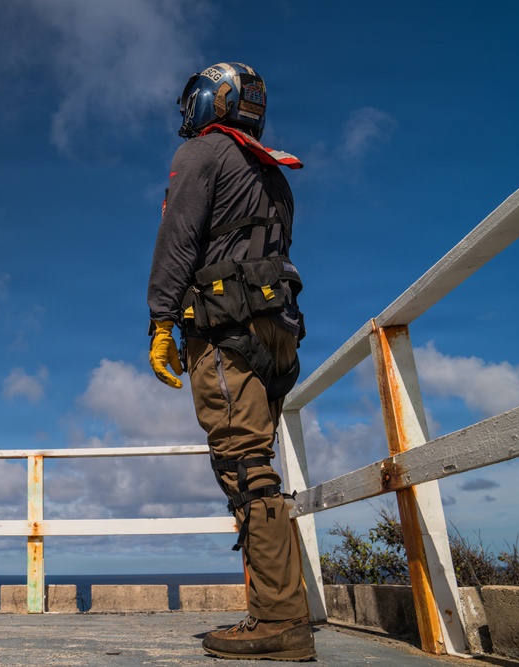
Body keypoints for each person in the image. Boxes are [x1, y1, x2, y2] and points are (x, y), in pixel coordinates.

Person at [147, 62, 314, 661]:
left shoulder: (202, 153)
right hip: (278, 333)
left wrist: (161, 321)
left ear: (212, 103)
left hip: (227, 329)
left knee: (244, 466)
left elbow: (178, 241)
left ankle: (279, 620)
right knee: (258, 461)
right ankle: (281, 606)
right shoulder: (272, 173)